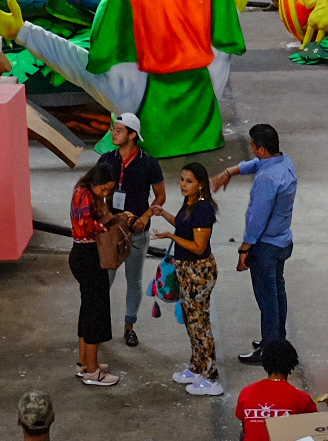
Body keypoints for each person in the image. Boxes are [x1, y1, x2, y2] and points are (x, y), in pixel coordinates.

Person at [211, 123, 296, 366]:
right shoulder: (284, 162)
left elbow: (258, 220)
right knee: (278, 292)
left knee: (267, 299)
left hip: (266, 247)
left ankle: (269, 349)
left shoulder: (267, 180)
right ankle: (277, 339)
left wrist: (244, 249)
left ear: (260, 149)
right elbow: (256, 164)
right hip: (282, 242)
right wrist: (230, 171)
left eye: (252, 146)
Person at [233, 339, 328, 441]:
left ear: (264, 362)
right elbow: (321, 433)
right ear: (292, 364)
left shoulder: (247, 393)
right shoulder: (300, 398)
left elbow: (245, 423)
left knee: (245, 432)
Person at [101, 114, 166, 350]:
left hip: (137, 232)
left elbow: (161, 195)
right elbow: (96, 192)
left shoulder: (149, 163)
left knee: (134, 280)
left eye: (118, 130)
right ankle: (100, 325)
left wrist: (145, 217)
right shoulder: (106, 160)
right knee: (105, 279)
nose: (112, 133)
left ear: (132, 135)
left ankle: (129, 326)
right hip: (111, 231)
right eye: (113, 129)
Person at [159, 161, 223, 396]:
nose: (183, 185)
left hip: (198, 272)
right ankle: (197, 366)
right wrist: (164, 214)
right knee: (190, 320)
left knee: (200, 324)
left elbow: (198, 246)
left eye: (189, 181)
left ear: (200, 185)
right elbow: (184, 226)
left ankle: (210, 377)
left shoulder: (204, 210)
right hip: (186, 271)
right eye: (182, 179)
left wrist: (169, 236)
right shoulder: (191, 203)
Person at [68, 164, 126, 386]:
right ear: (94, 183)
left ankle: (84, 363)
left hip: (85, 257)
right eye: (103, 190)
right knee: (95, 314)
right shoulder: (84, 195)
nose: (105, 194)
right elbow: (84, 225)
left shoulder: (85, 191)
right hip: (88, 258)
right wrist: (104, 226)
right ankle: (93, 372)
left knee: (88, 310)